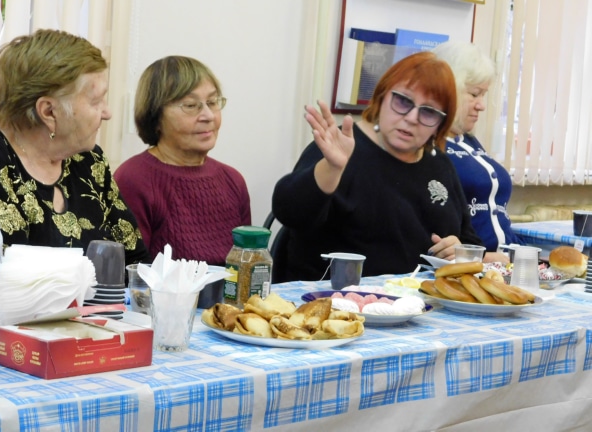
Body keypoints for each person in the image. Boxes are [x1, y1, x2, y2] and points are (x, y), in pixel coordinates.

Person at [271, 51, 485, 282]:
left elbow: (470, 242)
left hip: (420, 298)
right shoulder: (341, 146)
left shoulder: (439, 164)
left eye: (429, 112)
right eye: (403, 101)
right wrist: (331, 168)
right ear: (381, 98)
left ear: (441, 123)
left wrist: (458, 252)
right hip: (336, 297)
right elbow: (289, 212)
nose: (412, 117)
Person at [0, 29, 148, 266]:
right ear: (48, 111)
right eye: (95, 101)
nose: (107, 113)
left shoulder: (89, 160)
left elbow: (135, 263)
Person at [114, 56, 251, 265]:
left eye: (212, 102)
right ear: (156, 116)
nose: (208, 116)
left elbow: (248, 264)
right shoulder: (133, 179)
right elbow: (129, 273)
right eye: (191, 105)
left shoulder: (232, 180)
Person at [432, 41, 524, 264]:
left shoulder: (469, 140)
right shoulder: (428, 147)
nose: (481, 105)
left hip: (508, 260)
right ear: (447, 90)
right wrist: (493, 259)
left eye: (483, 95)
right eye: (474, 94)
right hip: (478, 265)